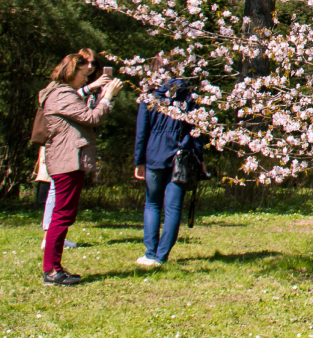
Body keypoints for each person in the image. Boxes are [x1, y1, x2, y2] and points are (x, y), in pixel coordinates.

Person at [37, 50, 120, 285]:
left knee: (64, 215)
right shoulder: (62, 95)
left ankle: (54, 267)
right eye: (84, 74)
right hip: (67, 161)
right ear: (73, 72)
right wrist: (108, 97)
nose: (87, 78)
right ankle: (51, 270)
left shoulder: (61, 93)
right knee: (61, 216)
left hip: (67, 160)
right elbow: (92, 118)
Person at [133, 57, 202, 268]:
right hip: (181, 155)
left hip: (154, 153)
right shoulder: (189, 95)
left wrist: (139, 160)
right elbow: (196, 130)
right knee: (173, 208)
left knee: (152, 203)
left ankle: (150, 253)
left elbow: (142, 131)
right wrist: (199, 158)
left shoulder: (150, 96)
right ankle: (162, 256)